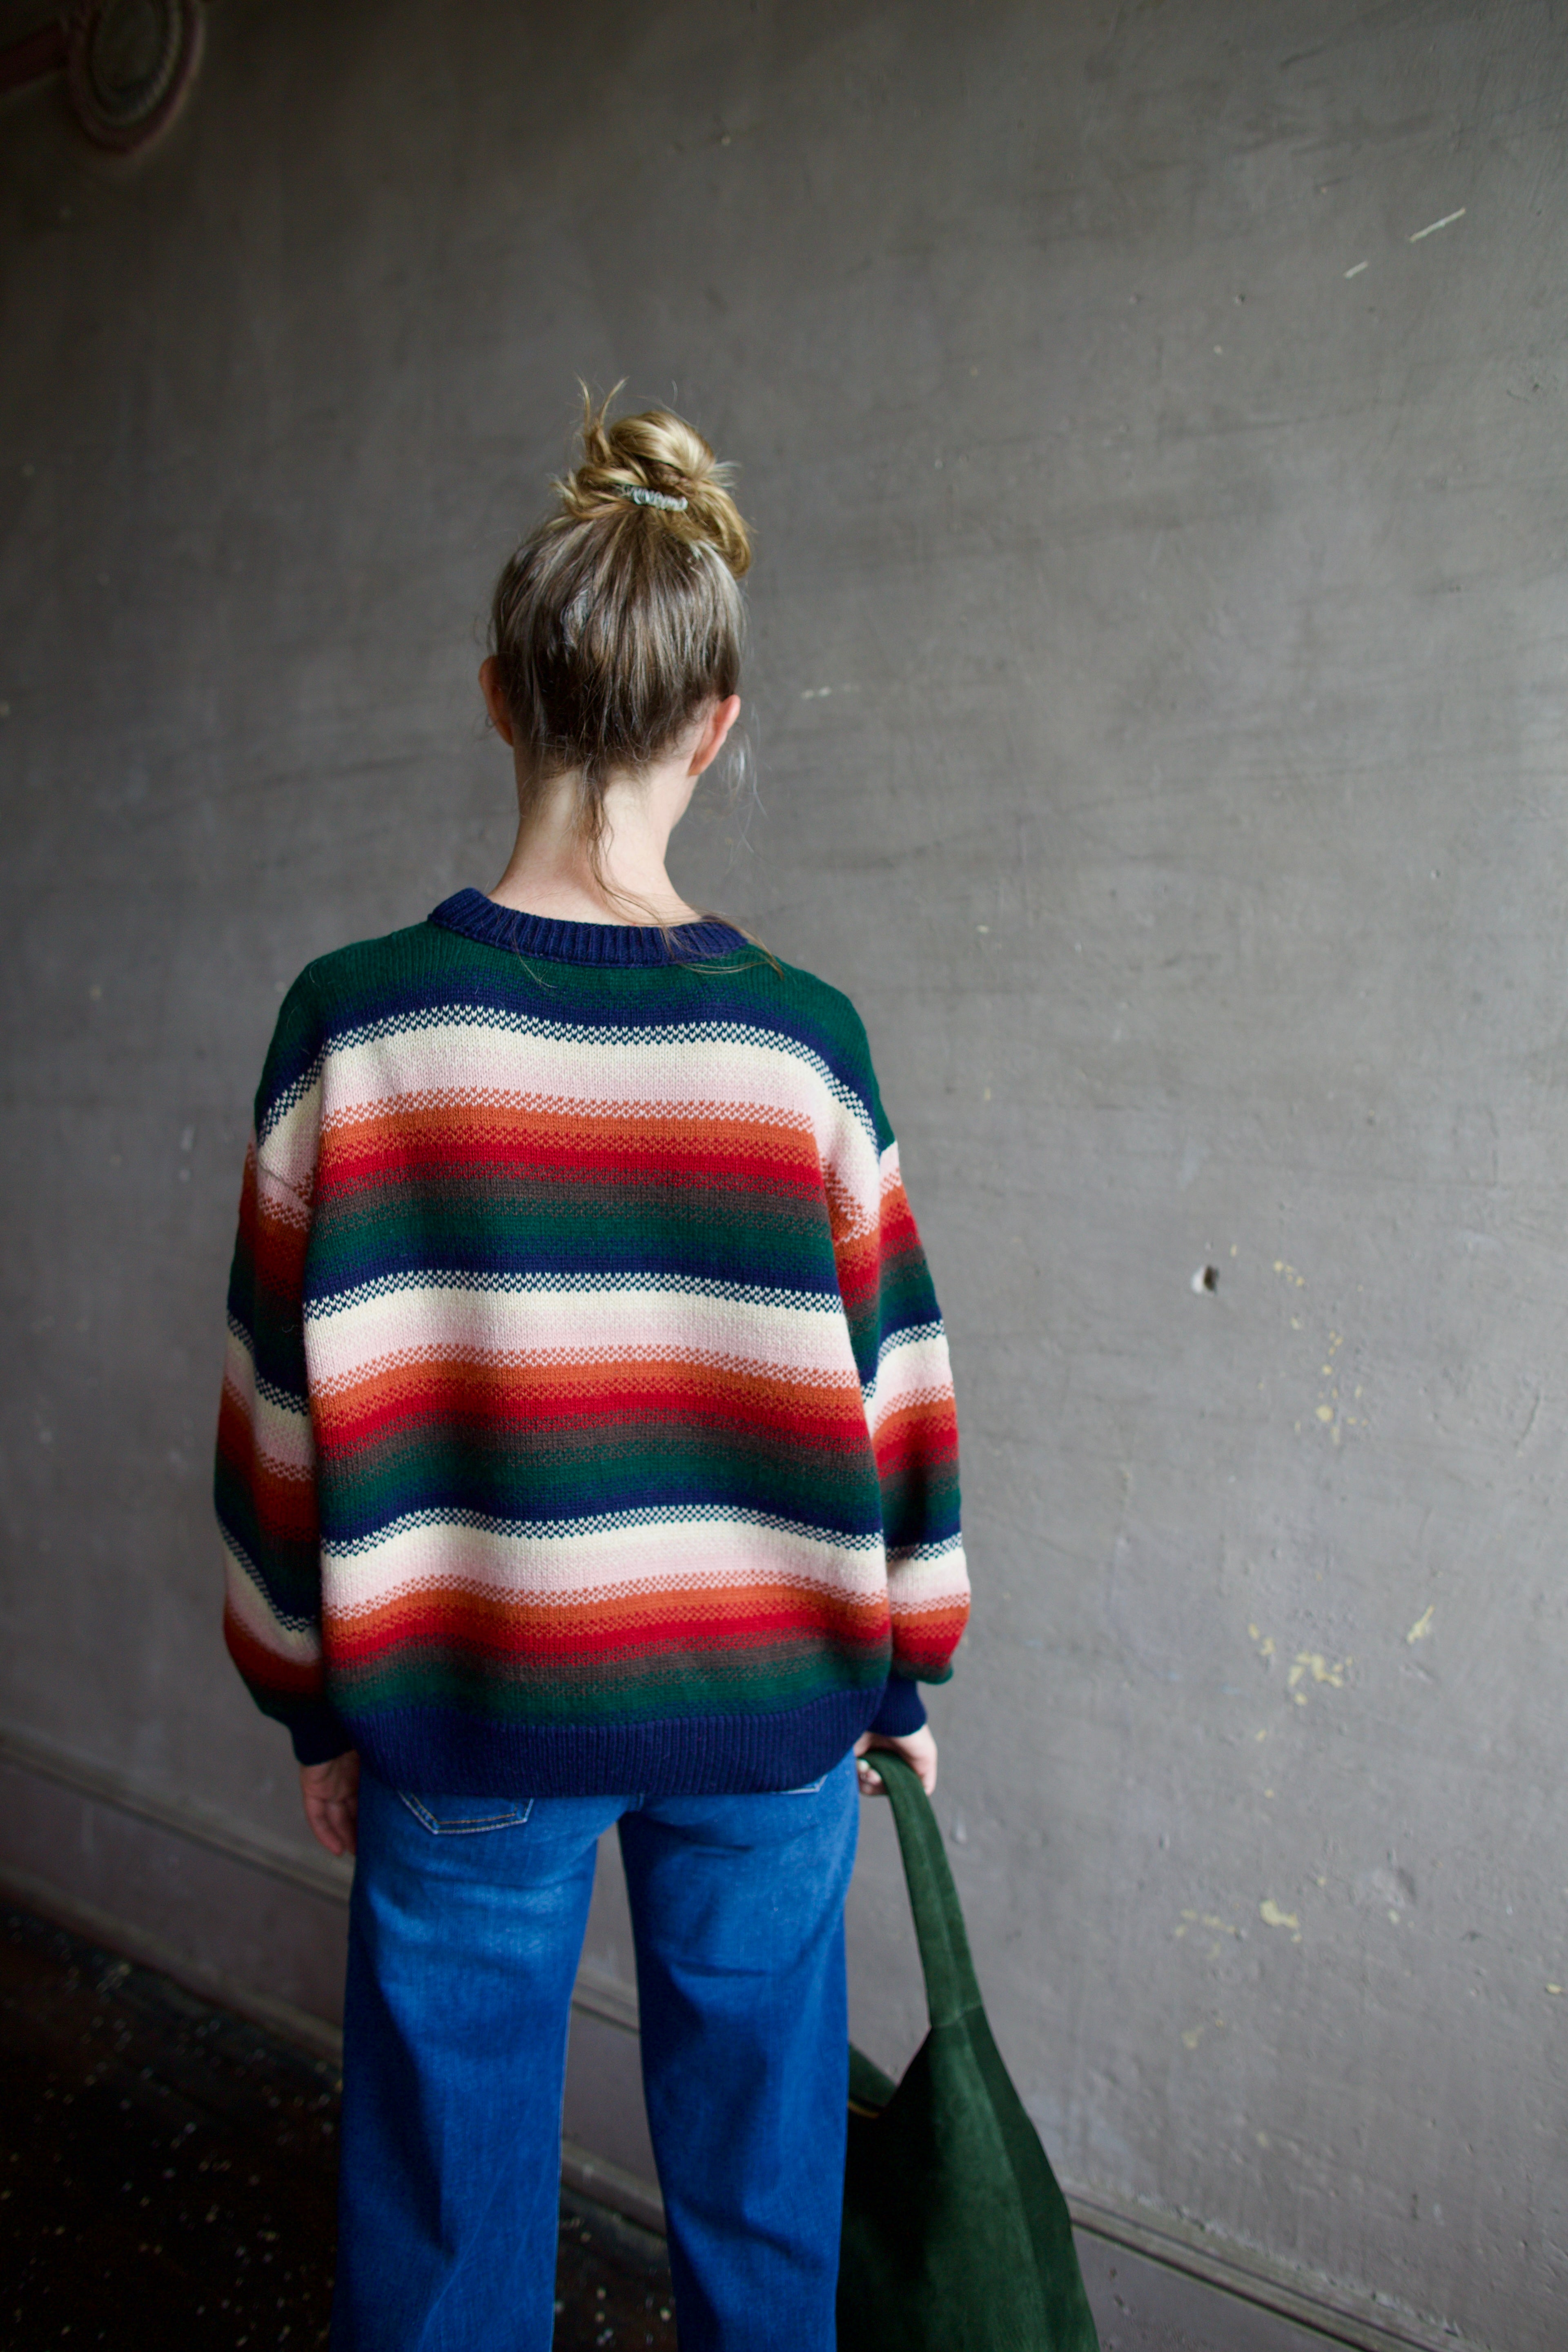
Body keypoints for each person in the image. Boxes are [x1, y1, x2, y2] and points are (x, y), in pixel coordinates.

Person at [214, 391, 970, 2351]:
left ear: (499, 701)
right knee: (766, 2214)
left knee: (442, 2233)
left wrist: (309, 1696)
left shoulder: (355, 1031)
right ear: (714, 727)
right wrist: (902, 1671)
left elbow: (280, 1414)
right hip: (773, 1711)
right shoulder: (805, 1048)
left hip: (469, 1707)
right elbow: (897, 1385)